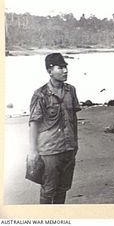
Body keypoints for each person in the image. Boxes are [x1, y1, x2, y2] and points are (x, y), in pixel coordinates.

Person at [28, 53, 81, 204]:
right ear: (50, 71)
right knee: (48, 190)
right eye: (61, 68)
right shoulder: (40, 94)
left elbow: (73, 119)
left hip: (68, 148)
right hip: (50, 150)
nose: (65, 71)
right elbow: (33, 123)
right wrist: (32, 151)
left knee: (62, 189)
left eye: (65, 67)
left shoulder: (71, 91)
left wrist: (75, 143)